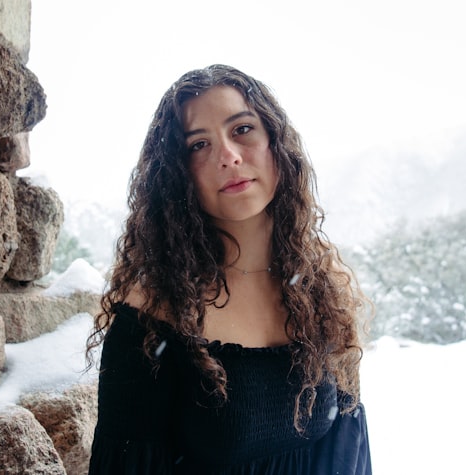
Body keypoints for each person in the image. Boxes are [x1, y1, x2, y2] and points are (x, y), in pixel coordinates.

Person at [86, 64, 372, 474]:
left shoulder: (319, 288)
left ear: (276, 142)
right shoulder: (153, 311)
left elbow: (348, 450)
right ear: (177, 174)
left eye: (242, 129)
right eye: (198, 144)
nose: (229, 157)